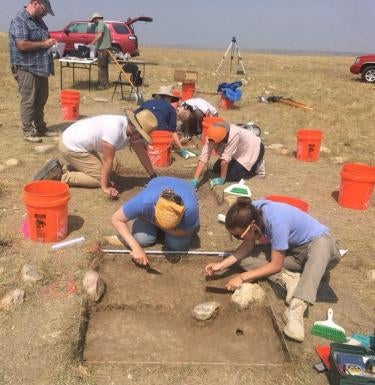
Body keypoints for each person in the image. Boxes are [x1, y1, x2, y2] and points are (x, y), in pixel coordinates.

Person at [205, 197, 342, 342]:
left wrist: (242, 277)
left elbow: (276, 265)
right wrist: (222, 264)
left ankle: (297, 309)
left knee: (322, 244)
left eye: (239, 235)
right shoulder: (250, 212)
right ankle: (289, 279)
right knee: (245, 259)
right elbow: (247, 246)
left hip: (321, 253)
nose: (238, 238)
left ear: (252, 226)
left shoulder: (277, 221)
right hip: (292, 253)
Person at [33, 109, 159, 199]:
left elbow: (142, 153)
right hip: (71, 146)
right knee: (101, 178)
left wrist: (153, 176)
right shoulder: (115, 130)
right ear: (136, 129)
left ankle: (65, 168)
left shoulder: (130, 130)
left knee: (111, 168)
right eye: (142, 136)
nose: (142, 139)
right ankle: (62, 177)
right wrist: (104, 186)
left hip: (81, 144)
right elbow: (107, 161)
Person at [111, 176, 200, 265]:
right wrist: (135, 248)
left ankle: (190, 224)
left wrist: (154, 222)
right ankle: (159, 230)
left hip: (185, 187)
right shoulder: (144, 201)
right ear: (154, 208)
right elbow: (116, 218)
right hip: (157, 184)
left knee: (176, 246)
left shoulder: (190, 208)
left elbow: (183, 232)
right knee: (141, 239)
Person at [9, 0, 58, 143]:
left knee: (41, 99)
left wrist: (51, 42)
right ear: (36, 3)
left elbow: (43, 40)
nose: (45, 14)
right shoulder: (20, 19)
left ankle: (41, 127)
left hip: (41, 67)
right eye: (44, 10)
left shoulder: (39, 21)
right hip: (26, 67)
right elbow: (21, 44)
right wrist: (45, 43)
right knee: (29, 100)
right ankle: (28, 131)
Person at [191, 120, 265, 189]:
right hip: (237, 151)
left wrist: (222, 179)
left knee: (230, 176)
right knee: (216, 169)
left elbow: (225, 161)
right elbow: (204, 156)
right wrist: (195, 180)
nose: (213, 145)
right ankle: (238, 165)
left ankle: (256, 164)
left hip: (252, 149)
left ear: (223, 138)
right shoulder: (211, 135)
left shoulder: (233, 134)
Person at [136, 85, 185, 151]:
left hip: (144, 135)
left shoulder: (147, 103)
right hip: (161, 138)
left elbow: (135, 115)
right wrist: (181, 149)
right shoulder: (171, 109)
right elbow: (172, 131)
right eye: (170, 99)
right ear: (168, 97)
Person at [88, 12, 111, 89]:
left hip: (103, 48)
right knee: (104, 67)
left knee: (101, 67)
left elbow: (100, 35)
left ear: (96, 18)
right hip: (104, 48)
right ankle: (105, 84)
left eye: (93, 20)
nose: (93, 22)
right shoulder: (102, 24)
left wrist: (92, 43)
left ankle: (102, 85)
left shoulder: (101, 24)